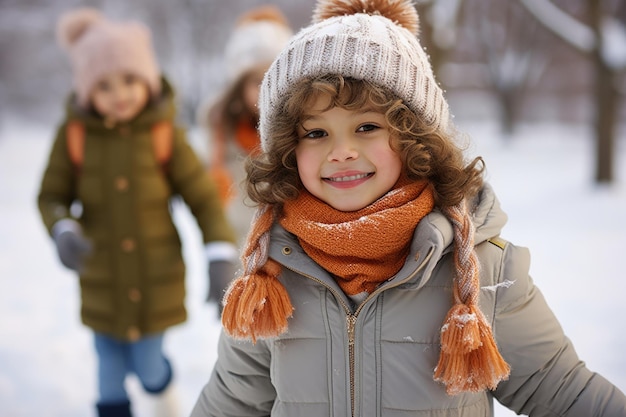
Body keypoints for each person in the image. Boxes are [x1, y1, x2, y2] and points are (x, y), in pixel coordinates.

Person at [190, 0, 626, 416]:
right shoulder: (270, 275)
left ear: (414, 138)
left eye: (366, 127)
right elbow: (231, 402)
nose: (341, 151)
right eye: (316, 133)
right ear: (288, 149)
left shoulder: (481, 270)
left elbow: (561, 389)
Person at [37, 8, 237, 417]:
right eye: (104, 85)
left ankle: (162, 394)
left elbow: (202, 197)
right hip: (100, 278)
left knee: (147, 366)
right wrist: (62, 229)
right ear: (87, 91)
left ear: (147, 79)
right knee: (108, 374)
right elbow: (51, 195)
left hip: (155, 280)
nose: (120, 93)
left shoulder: (164, 134)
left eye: (130, 80)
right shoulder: (74, 135)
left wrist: (219, 253)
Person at [199, 5, 293, 258]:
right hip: (238, 247)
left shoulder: (298, 133)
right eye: (256, 81)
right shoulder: (222, 135)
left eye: (272, 78)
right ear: (238, 87)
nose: (264, 90)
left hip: (289, 251)